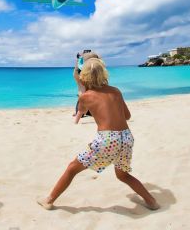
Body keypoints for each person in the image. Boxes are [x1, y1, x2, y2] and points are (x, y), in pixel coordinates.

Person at [38, 58, 159, 211]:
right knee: (123, 175)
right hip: (126, 137)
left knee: (72, 168)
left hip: (108, 140)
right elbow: (127, 116)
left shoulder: (85, 96)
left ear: (85, 77)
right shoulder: (116, 91)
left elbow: (81, 110)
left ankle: (48, 200)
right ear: (104, 73)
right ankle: (151, 201)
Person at [73, 51, 99, 117]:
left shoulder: (81, 62)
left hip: (83, 74)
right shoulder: (84, 63)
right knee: (83, 96)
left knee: (82, 95)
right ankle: (81, 113)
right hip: (84, 74)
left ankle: (80, 113)